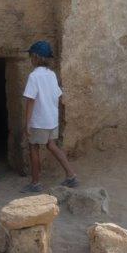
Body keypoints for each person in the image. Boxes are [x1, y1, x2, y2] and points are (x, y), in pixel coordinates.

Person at [20, 40, 78, 193]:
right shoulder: (51, 75)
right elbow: (58, 95)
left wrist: (27, 123)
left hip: (39, 121)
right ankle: (71, 175)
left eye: (31, 55)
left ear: (36, 57)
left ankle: (35, 183)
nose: (30, 58)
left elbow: (30, 101)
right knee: (52, 145)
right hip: (51, 119)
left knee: (33, 147)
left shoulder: (34, 76)